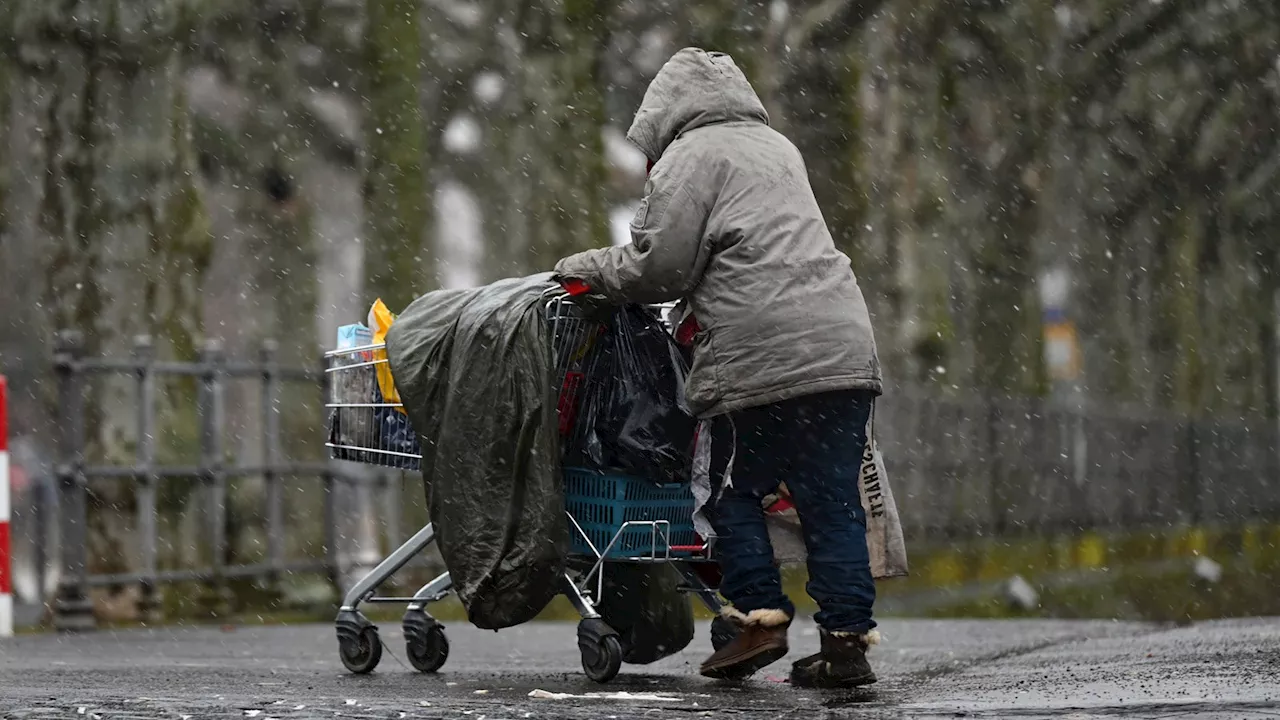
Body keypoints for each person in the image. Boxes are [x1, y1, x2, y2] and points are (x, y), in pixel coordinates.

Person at [553, 47, 883, 688]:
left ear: (664, 114)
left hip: (758, 352)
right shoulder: (778, 147)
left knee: (728, 490)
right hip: (844, 348)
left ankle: (758, 618)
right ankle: (846, 645)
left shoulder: (689, 155)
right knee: (832, 504)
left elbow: (661, 268)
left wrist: (583, 269)